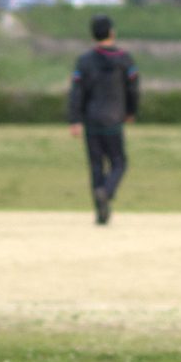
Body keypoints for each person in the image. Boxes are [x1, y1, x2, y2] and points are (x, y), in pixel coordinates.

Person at [66, 15, 139, 226]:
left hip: (92, 119)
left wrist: (75, 119)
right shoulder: (125, 59)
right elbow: (133, 89)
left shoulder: (84, 61)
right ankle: (107, 192)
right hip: (114, 118)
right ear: (112, 33)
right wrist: (130, 111)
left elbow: (76, 92)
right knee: (119, 162)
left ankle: (100, 211)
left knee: (96, 164)